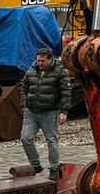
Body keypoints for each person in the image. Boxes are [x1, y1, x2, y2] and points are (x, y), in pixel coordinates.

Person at [20, 47, 73, 180]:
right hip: (31, 111)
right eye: (38, 61)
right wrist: (24, 105)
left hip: (50, 112)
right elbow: (23, 88)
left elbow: (66, 93)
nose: (40, 63)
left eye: (43, 61)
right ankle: (36, 164)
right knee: (25, 138)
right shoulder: (31, 70)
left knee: (51, 141)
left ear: (50, 60)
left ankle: (54, 167)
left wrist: (64, 112)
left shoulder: (60, 72)